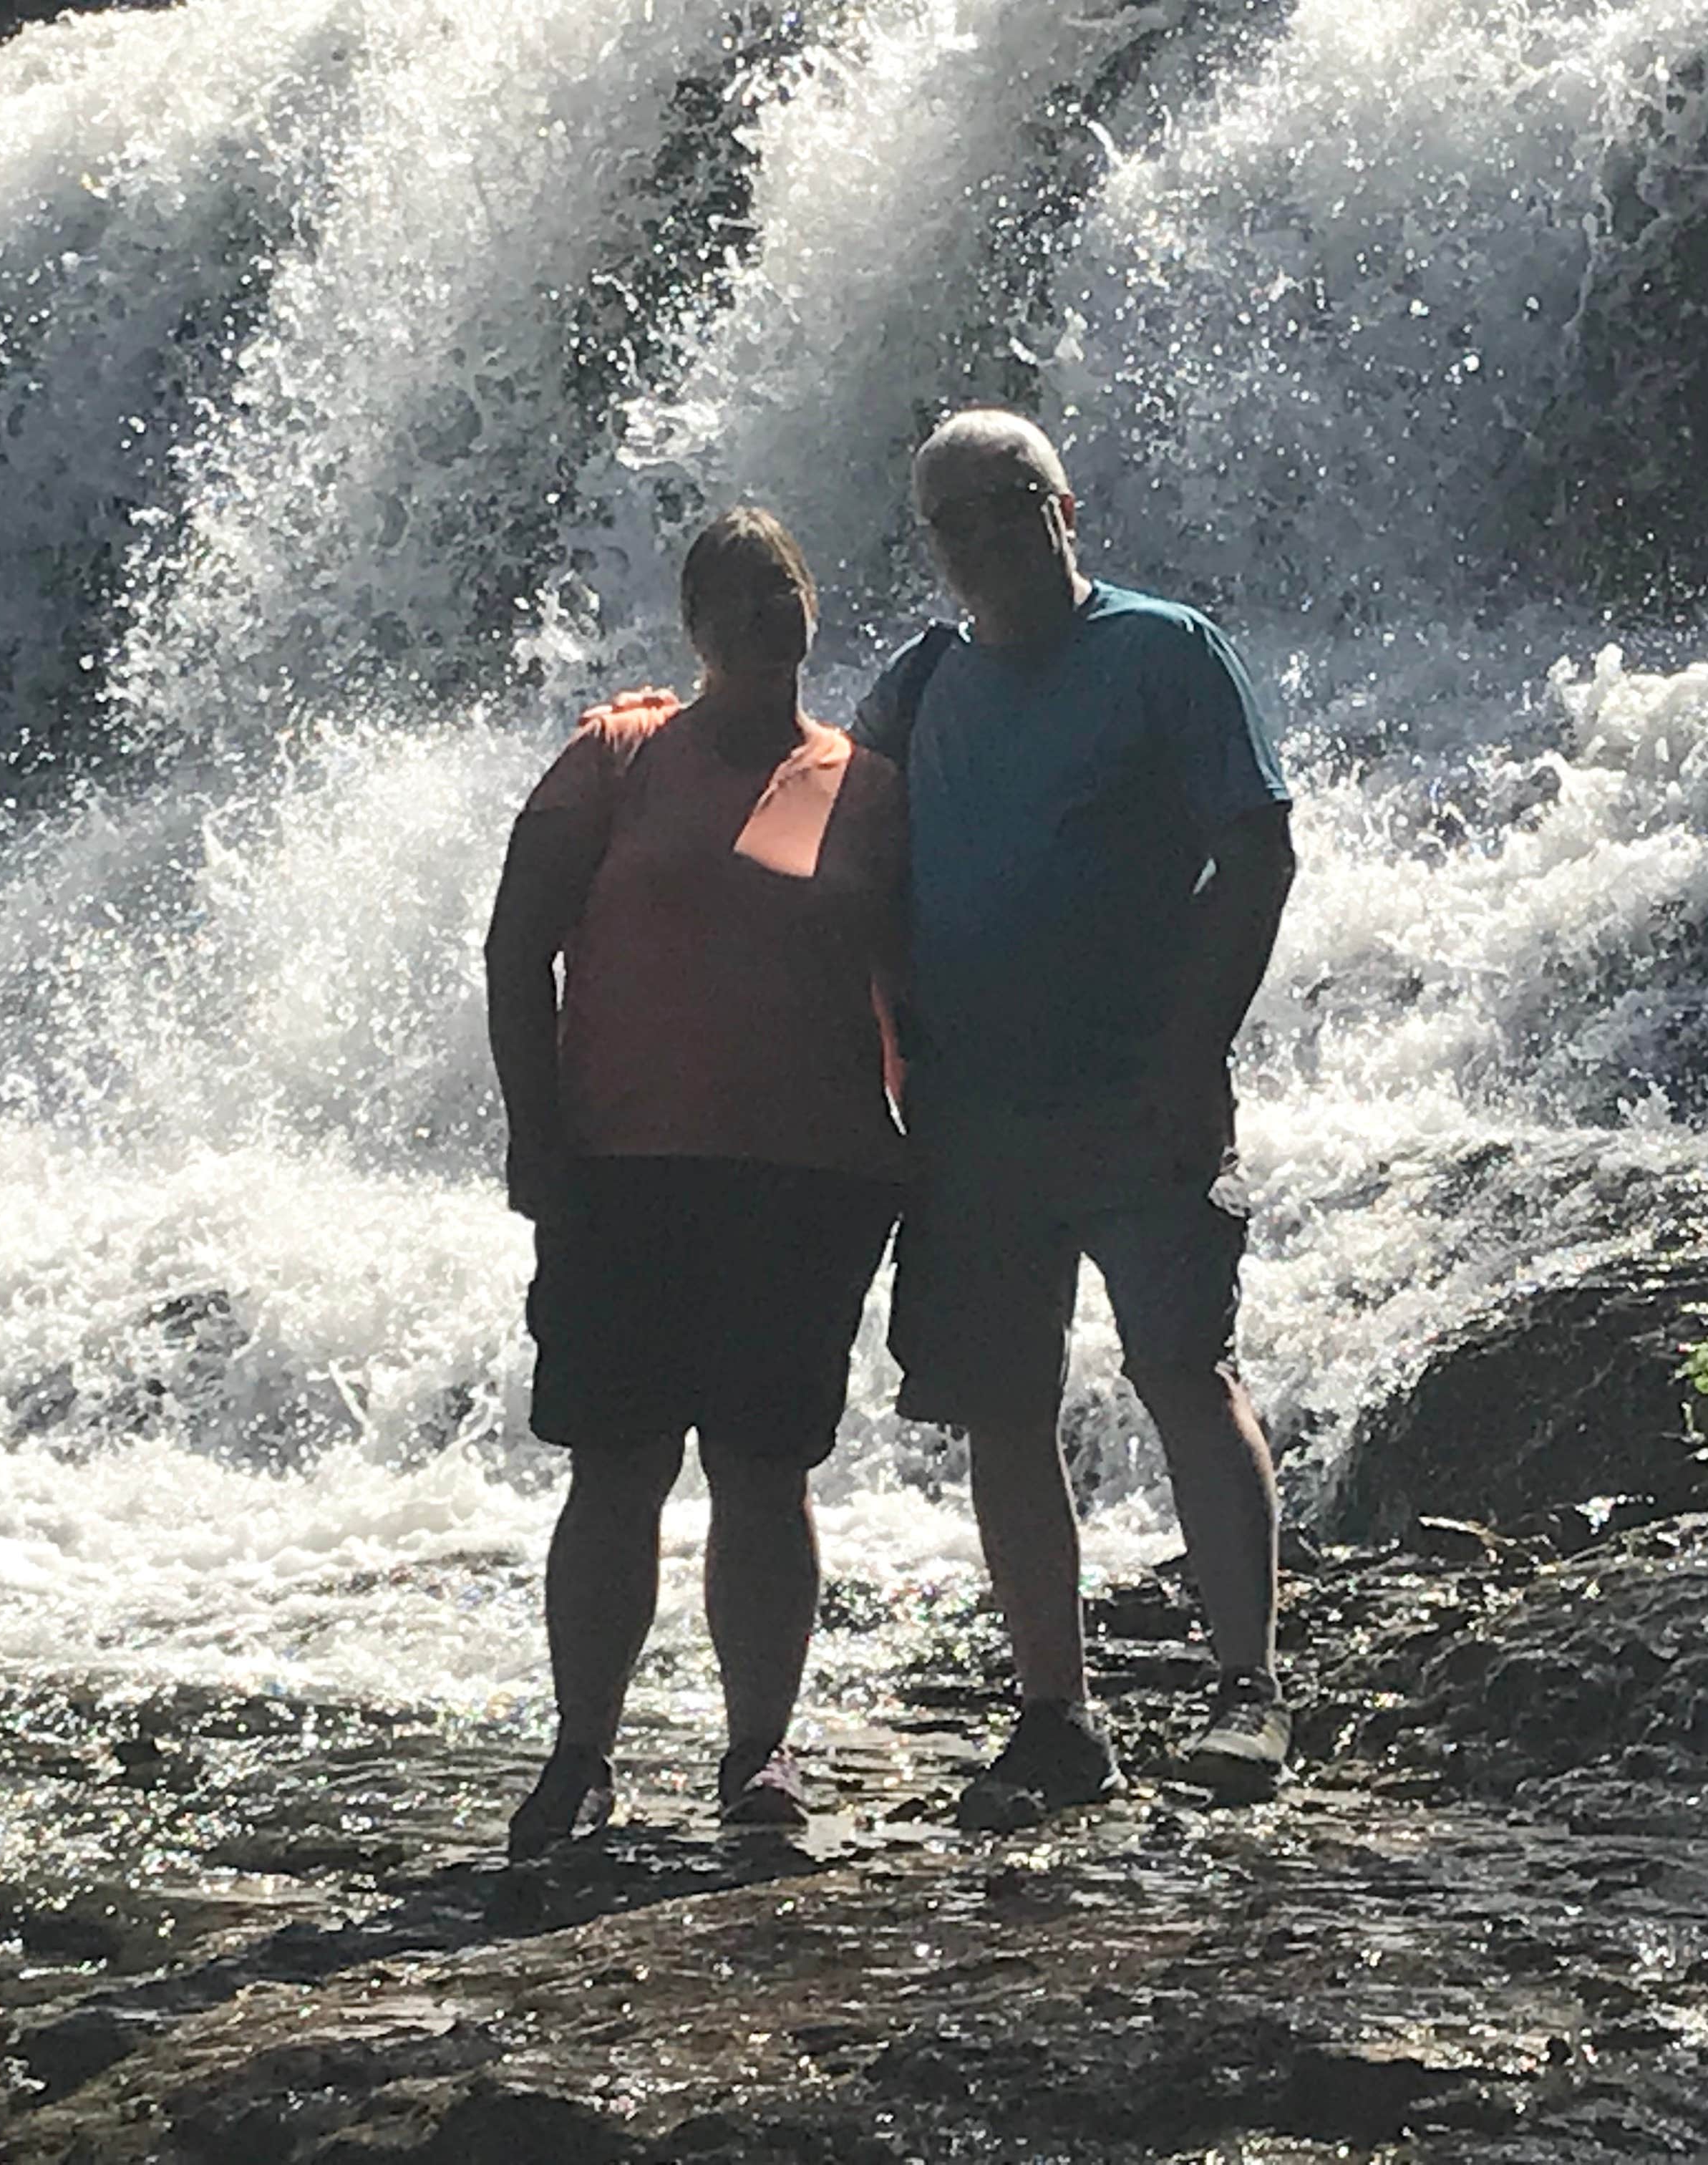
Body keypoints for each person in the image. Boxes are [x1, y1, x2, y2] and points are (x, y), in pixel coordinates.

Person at [853, 409, 1296, 1829]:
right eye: (953, 521)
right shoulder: (919, 685)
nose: (982, 538)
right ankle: (1056, 1719)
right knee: (1004, 1406)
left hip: (1136, 1090)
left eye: (1007, 504)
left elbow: (1258, 853)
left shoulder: (1166, 653)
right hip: (971, 1113)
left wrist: (1195, 1049)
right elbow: (844, 864)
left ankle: (1248, 1692)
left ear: (1064, 508)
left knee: (1184, 1368)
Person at [485, 507, 908, 1859]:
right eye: (727, 597)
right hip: (623, 1166)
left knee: (765, 1472)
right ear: (694, 628)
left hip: (808, 1176)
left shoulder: (864, 784)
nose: (758, 615)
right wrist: (534, 1133)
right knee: (617, 1467)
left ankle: (758, 1750)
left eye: (777, 588)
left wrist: (931, 1148)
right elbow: (516, 947)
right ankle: (582, 1753)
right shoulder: (618, 755)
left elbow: (910, 987)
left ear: (812, 606)